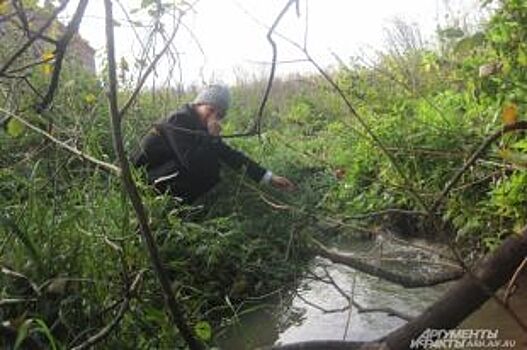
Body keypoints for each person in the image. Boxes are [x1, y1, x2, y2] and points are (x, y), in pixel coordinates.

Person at [132, 84, 296, 204]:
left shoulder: (201, 126)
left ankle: (174, 206)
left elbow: (230, 156)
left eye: (219, 114)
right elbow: (191, 162)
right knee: (209, 169)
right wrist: (211, 137)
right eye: (210, 110)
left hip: (159, 172)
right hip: (138, 178)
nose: (213, 117)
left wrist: (269, 177)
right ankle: (168, 206)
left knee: (212, 166)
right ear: (198, 104)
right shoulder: (180, 119)